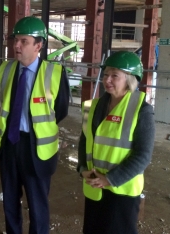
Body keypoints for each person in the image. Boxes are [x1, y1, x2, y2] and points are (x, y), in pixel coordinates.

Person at [0, 16, 70, 234]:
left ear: (39, 45)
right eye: (15, 40)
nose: (17, 46)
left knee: (38, 204)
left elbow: (61, 109)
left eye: (23, 41)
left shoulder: (54, 73)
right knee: (10, 201)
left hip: (37, 149)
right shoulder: (5, 70)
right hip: (9, 144)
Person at [77, 51, 155, 234]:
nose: (107, 80)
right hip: (94, 187)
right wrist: (82, 169)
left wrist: (110, 179)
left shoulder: (142, 110)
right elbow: (84, 141)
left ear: (129, 79)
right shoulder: (92, 106)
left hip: (121, 191)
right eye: (105, 75)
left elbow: (143, 155)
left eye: (114, 76)